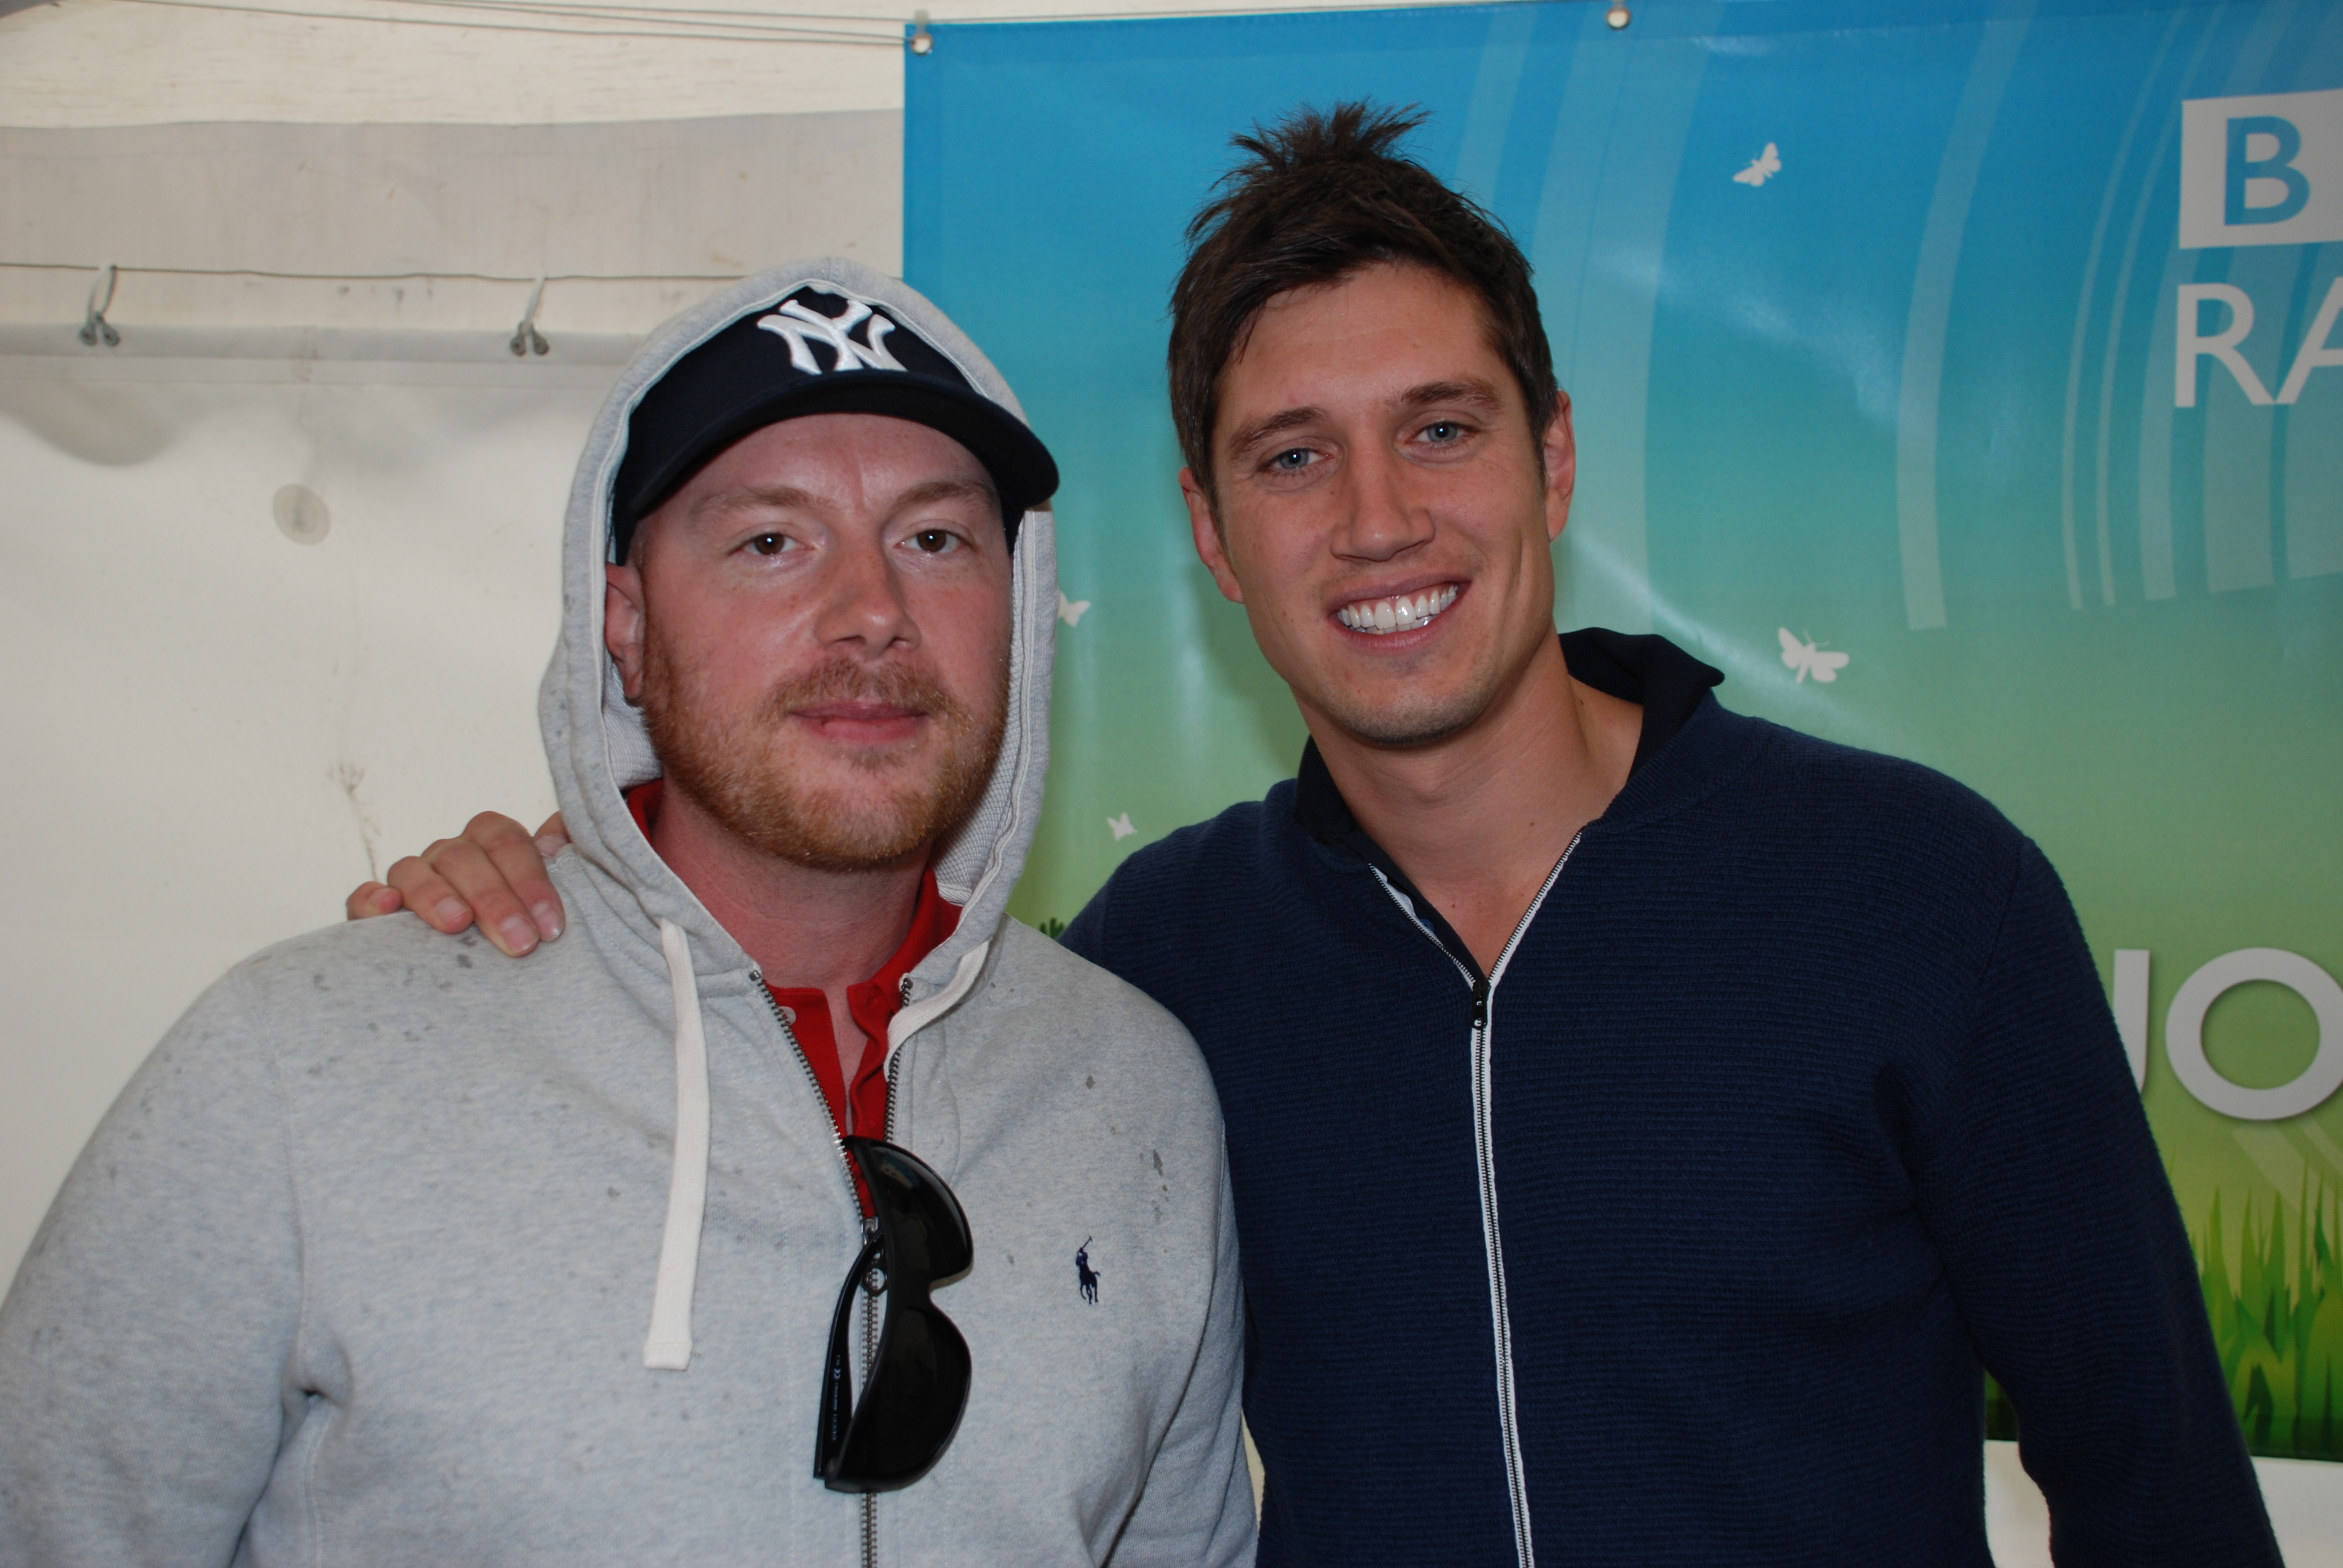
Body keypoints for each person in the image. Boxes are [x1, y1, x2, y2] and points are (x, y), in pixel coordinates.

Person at [347, 110, 2278, 1565]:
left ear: (1553, 457)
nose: (1376, 520)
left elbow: (2157, 1485)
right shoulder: (1155, 970)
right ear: (1209, 531)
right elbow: (815, 1055)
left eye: (1440, 428)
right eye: (1293, 456)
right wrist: (573, 877)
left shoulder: (1915, 893)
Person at [0, 258, 1253, 1566]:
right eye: (770, 541)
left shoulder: (1137, 1094)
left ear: (1019, 607)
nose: (873, 613)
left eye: (934, 540)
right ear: (626, 625)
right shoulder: (294, 1069)